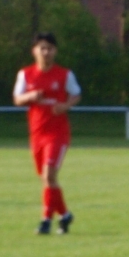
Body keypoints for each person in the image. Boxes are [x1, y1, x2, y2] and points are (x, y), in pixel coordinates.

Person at [14, 33, 79, 234]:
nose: (46, 52)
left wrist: (65, 105)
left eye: (50, 48)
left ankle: (46, 221)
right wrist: (31, 96)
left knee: (49, 174)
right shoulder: (25, 74)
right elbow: (17, 99)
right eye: (42, 48)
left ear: (55, 51)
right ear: (34, 51)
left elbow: (76, 94)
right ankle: (65, 215)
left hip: (57, 133)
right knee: (46, 179)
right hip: (37, 134)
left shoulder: (64, 74)